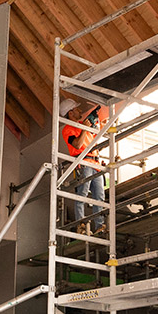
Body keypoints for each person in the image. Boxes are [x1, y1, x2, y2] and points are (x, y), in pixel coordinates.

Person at [61, 100, 107, 234]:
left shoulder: (83, 125)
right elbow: (77, 144)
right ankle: (81, 224)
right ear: (70, 113)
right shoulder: (68, 129)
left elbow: (93, 140)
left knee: (99, 196)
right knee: (82, 194)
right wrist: (85, 130)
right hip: (83, 163)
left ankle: (100, 226)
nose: (80, 111)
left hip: (95, 163)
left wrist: (101, 126)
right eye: (77, 109)